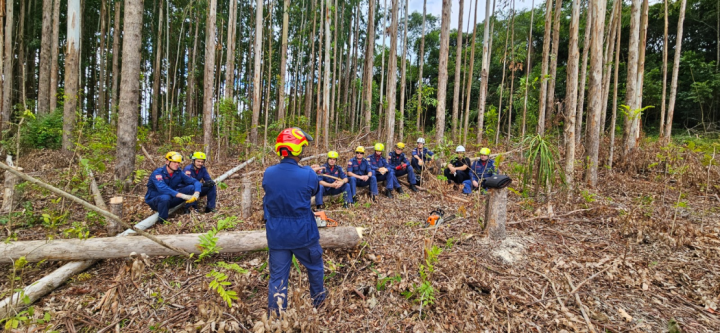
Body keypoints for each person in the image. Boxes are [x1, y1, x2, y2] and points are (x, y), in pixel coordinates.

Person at [263, 127, 326, 314]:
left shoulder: (269, 172)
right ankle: (319, 303)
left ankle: (275, 315)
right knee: (314, 267)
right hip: (303, 233)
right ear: (298, 149)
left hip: (277, 234)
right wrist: (310, 172)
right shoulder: (307, 174)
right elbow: (313, 190)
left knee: (277, 277)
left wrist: (306, 172)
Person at [145, 152, 202, 222]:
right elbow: (163, 189)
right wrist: (182, 195)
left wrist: (196, 193)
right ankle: (162, 221)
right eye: (174, 162)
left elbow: (194, 181)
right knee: (165, 197)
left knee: (191, 187)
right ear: (167, 162)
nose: (177, 164)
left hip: (171, 198)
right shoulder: (157, 173)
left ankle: (190, 210)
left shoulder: (178, 172)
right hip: (156, 201)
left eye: (178, 162)